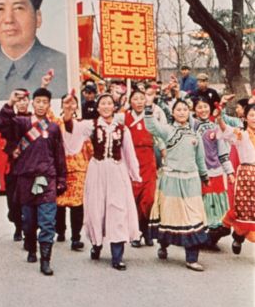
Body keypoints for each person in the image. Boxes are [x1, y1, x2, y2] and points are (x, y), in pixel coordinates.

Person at [0, 87, 66, 275]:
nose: (41, 105)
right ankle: (32, 247)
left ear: (50, 105)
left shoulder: (53, 128)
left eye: (45, 102)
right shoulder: (21, 123)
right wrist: (10, 103)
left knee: (48, 221)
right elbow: (0, 124)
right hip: (25, 178)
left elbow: (59, 155)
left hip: (47, 179)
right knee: (29, 221)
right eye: (38, 101)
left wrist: (62, 179)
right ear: (32, 103)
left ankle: (46, 260)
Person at [144, 98, 209, 271]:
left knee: (193, 217)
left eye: (185, 109)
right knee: (170, 216)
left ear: (189, 113)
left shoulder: (195, 135)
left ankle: (191, 258)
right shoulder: (168, 131)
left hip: (192, 181)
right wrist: (149, 108)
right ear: (172, 113)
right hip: (171, 180)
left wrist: (204, 176)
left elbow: (200, 159)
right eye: (178, 109)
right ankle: (163, 244)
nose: (181, 112)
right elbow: (152, 127)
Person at [83, 94, 141, 271]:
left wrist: (135, 175)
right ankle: (97, 243)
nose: (106, 107)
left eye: (110, 103)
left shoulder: (123, 130)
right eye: (103, 104)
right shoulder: (91, 126)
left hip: (116, 170)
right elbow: (72, 132)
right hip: (97, 170)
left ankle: (117, 255)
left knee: (118, 209)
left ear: (114, 107)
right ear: (98, 107)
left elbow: (129, 154)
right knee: (96, 209)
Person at [192, 97, 234, 249]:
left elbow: (223, 153)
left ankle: (212, 238)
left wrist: (229, 172)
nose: (203, 110)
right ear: (194, 110)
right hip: (198, 172)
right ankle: (200, 236)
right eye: (199, 107)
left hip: (215, 172)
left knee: (217, 207)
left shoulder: (216, 127)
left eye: (205, 107)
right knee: (202, 205)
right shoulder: (192, 126)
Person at [0, 86, 31, 242]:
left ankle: (29, 228)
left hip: (31, 164)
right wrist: (5, 102)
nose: (22, 103)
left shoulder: (35, 120)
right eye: (19, 100)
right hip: (14, 165)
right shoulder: (11, 120)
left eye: (24, 99)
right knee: (13, 200)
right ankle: (18, 226)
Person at [216, 102, 255, 254]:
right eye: (252, 115)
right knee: (243, 211)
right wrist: (219, 117)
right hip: (246, 176)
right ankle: (238, 236)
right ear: (245, 118)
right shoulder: (241, 134)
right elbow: (225, 130)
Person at [55, 93, 91, 251]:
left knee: (77, 204)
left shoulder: (83, 125)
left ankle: (76, 237)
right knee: (59, 203)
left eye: (73, 103)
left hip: (78, 168)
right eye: (66, 103)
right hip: (60, 167)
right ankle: (60, 230)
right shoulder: (56, 124)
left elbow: (90, 147)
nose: (70, 105)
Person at [124, 89, 159, 248]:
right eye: (135, 99)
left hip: (148, 160)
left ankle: (145, 229)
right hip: (131, 160)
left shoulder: (152, 116)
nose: (138, 102)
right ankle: (136, 232)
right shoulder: (123, 117)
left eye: (141, 99)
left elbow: (161, 134)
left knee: (148, 198)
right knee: (133, 198)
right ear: (130, 101)